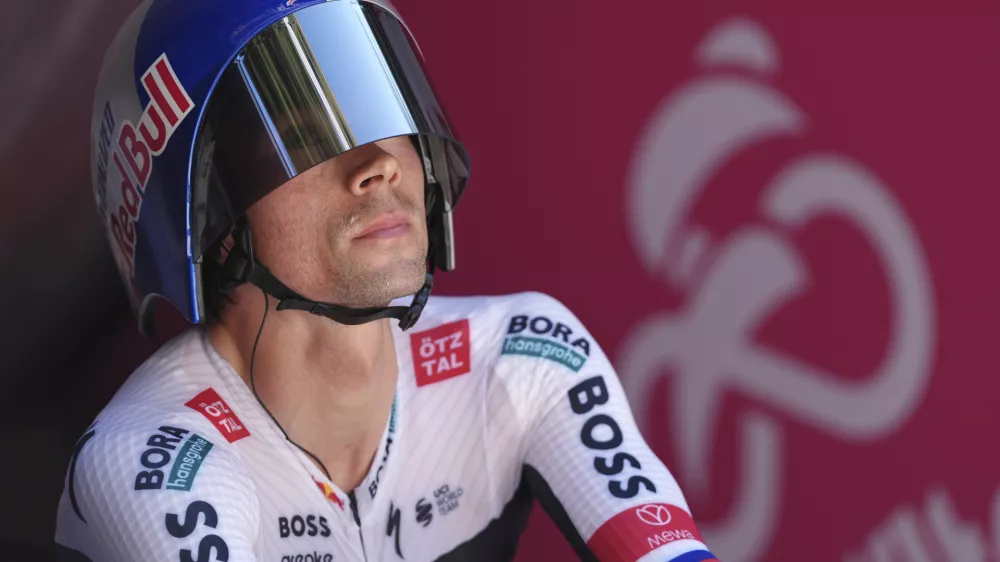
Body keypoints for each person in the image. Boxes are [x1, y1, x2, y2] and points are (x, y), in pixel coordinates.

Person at [54, 1, 719, 561]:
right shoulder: (152, 464)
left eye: (385, 109)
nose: (378, 163)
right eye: (304, 137)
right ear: (209, 224)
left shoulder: (522, 353)